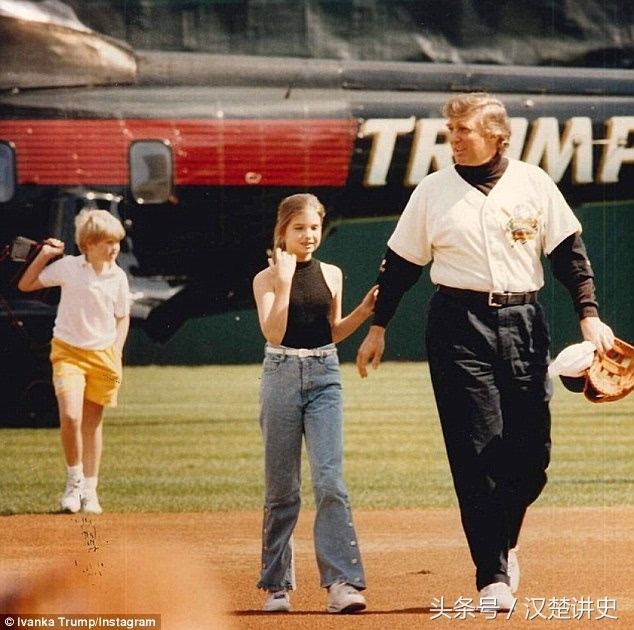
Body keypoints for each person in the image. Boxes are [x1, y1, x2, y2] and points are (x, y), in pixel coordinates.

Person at [356, 92, 614, 610]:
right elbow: (401, 263)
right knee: (475, 452)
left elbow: (569, 253)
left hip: (524, 322)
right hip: (457, 324)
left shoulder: (533, 183)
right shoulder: (433, 191)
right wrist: (378, 327)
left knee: (531, 456)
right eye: (449, 131)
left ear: (497, 136)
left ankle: (503, 539)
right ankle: (492, 573)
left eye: (463, 131)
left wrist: (589, 313)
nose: (453, 139)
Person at [253, 193, 376, 614]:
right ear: (282, 231)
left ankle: (342, 583)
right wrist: (284, 281)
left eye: (314, 228)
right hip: (280, 376)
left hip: (325, 375)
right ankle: (277, 586)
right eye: (299, 228)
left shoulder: (334, 274)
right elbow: (274, 332)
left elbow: (332, 331)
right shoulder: (266, 278)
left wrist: (362, 312)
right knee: (282, 488)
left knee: (329, 480)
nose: (308, 236)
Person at [18, 209, 131, 515]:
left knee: (92, 425)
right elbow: (26, 285)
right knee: (71, 416)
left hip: (104, 357)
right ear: (88, 244)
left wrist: (117, 352)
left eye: (116, 241)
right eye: (107, 242)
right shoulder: (68, 267)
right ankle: (74, 484)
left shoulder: (118, 276)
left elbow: (123, 318)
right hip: (68, 352)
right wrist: (45, 254)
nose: (114, 248)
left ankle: (90, 492)